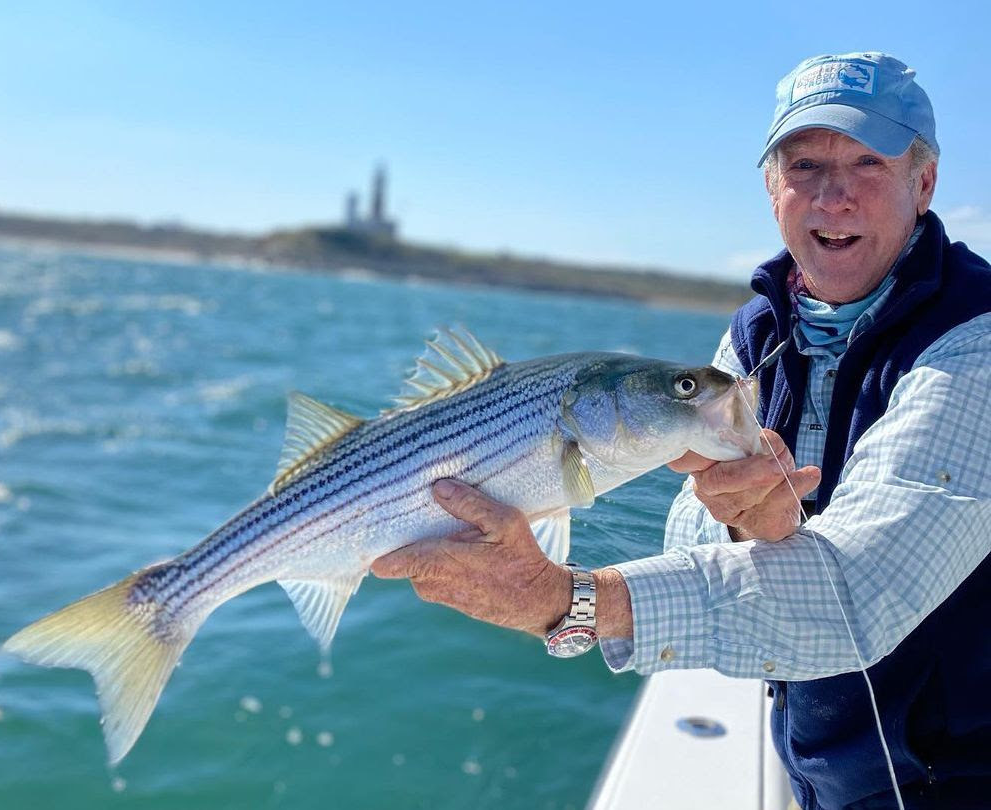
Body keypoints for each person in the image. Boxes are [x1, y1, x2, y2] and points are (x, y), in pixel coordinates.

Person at [371, 51, 991, 808]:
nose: (834, 196)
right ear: (772, 188)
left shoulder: (976, 341)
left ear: (923, 183)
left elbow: (859, 596)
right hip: (819, 764)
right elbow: (689, 528)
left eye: (868, 162)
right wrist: (747, 528)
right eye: (804, 164)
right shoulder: (758, 335)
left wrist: (565, 601)